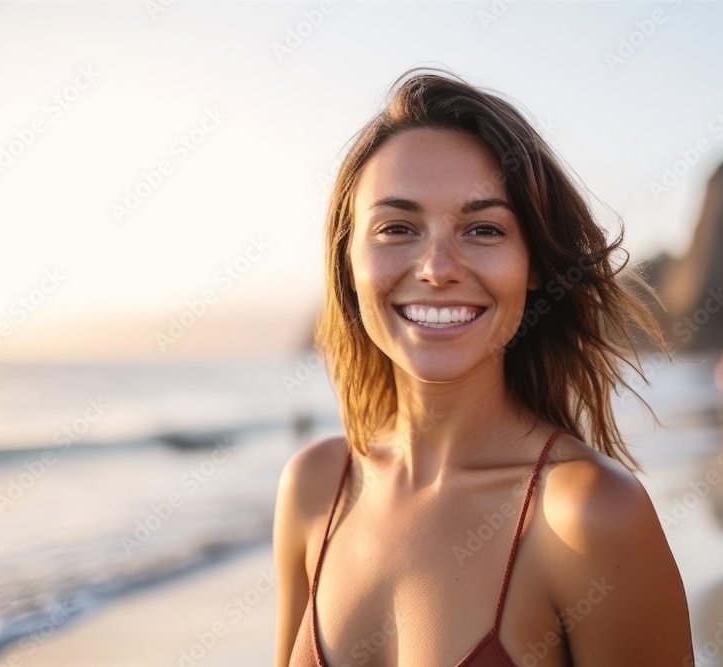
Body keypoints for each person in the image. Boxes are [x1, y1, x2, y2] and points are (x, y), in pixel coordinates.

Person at [274, 67, 694, 667]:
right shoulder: (313, 487)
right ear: (347, 261)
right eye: (397, 227)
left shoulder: (587, 515)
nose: (438, 267)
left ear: (536, 268)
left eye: (483, 229)